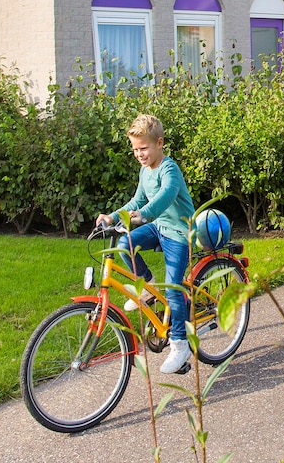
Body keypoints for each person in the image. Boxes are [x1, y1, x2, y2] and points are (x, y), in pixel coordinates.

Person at [96, 114, 195, 374]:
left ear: (159, 143)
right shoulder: (145, 170)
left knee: (174, 289)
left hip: (178, 231)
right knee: (124, 244)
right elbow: (137, 201)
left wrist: (145, 214)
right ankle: (149, 287)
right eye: (135, 149)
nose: (139, 154)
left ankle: (180, 343)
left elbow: (165, 196)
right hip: (158, 226)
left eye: (143, 148)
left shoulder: (168, 168)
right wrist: (113, 216)